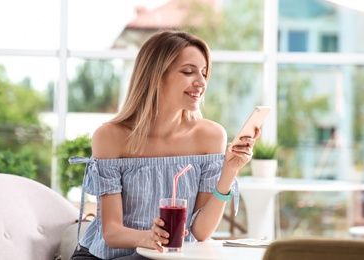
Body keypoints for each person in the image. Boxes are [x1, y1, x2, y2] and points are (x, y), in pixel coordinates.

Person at [69, 29, 260, 260]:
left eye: (204, 72)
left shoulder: (210, 136)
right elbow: (111, 232)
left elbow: (200, 232)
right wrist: (147, 238)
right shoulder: (110, 136)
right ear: (156, 76)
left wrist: (230, 170)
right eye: (188, 72)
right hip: (107, 256)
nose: (201, 82)